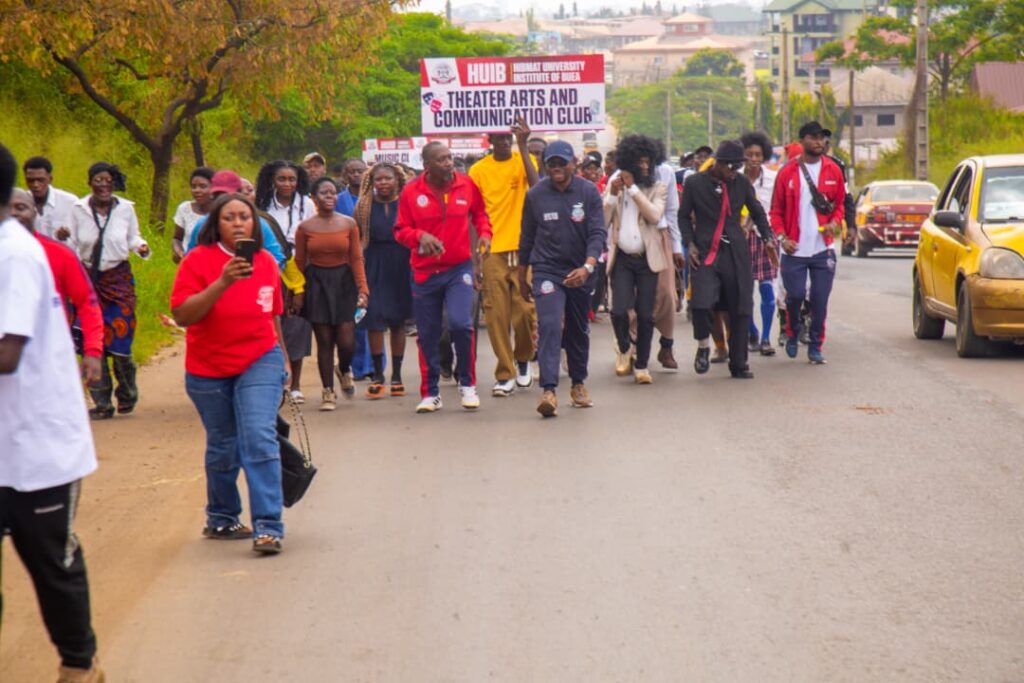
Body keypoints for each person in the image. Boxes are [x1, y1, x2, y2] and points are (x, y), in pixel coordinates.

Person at [0, 144, 105, 683]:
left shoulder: (17, 255)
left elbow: (7, 353)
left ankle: (78, 666)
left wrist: (93, 353)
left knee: (51, 565)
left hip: (35, 446)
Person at [171, 193, 289, 554]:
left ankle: (268, 527)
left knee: (257, 436)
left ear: (255, 223)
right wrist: (222, 282)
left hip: (260, 358)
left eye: (245, 217)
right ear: (215, 225)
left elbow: (273, 314)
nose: (238, 223)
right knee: (224, 444)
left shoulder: (267, 261)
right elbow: (183, 316)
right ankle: (222, 518)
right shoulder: (197, 261)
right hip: (208, 367)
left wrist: (282, 360)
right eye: (229, 218)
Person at [393, 141, 492, 413]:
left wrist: (484, 234)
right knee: (428, 334)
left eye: (449, 158)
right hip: (425, 273)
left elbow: (481, 215)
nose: (448, 163)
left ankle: (467, 385)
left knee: (461, 324)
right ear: (427, 166)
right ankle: (430, 393)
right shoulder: (412, 192)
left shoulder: (466, 184)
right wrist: (419, 237)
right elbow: (400, 230)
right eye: (441, 159)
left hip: (458, 269)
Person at [518, 140, 606, 417]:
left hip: (581, 270)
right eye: (551, 163)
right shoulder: (535, 195)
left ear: (573, 164)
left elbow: (597, 233)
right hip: (547, 270)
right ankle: (549, 390)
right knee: (550, 324)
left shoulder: (588, 191)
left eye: (561, 162)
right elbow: (527, 237)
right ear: (545, 166)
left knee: (577, 329)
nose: (556, 167)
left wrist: (588, 266)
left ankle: (578, 384)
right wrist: (522, 273)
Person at [680, 140, 777, 379]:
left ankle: (739, 363)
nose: (734, 172)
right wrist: (690, 244)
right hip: (704, 250)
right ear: (719, 164)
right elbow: (683, 217)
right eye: (731, 167)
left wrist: (767, 238)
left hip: (736, 251)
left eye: (737, 167)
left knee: (741, 307)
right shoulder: (694, 183)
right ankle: (704, 345)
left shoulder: (741, 183)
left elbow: (757, 212)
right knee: (701, 304)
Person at [70, 162, 150, 419]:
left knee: (121, 339)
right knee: (91, 340)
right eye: (98, 180)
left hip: (118, 280)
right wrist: (62, 237)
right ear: (89, 182)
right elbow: (71, 241)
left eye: (108, 180)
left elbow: (132, 238)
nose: (103, 185)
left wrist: (141, 246)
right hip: (87, 279)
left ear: (114, 183)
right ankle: (102, 402)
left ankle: (127, 393)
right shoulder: (78, 210)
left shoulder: (125, 209)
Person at [468, 118, 540, 397]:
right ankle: (505, 372)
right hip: (491, 251)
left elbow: (536, 187)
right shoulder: (478, 170)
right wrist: (476, 258)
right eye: (497, 138)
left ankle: (523, 360)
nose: (502, 143)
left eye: (506, 138)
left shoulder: (524, 158)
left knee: (525, 312)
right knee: (496, 314)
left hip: (523, 250)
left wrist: (522, 145)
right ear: (489, 140)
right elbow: (473, 214)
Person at [770, 121, 846, 364]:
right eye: (813, 138)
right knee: (794, 295)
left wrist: (836, 221)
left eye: (822, 138)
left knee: (820, 300)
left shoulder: (834, 170)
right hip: (795, 249)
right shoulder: (787, 173)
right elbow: (775, 212)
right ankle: (791, 332)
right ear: (801, 141)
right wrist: (783, 238)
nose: (819, 142)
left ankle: (815, 346)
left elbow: (840, 204)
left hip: (823, 249)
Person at [10, 188, 104, 384]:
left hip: (51, 360)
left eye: (21, 207)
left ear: (34, 211)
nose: (14, 214)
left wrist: (93, 351)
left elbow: (87, 302)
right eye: (6, 208)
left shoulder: (60, 255)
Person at [294, 177, 368, 410]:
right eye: (324, 193)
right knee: (324, 340)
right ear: (314, 199)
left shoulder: (348, 224)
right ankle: (328, 391)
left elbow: (356, 258)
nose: (330, 197)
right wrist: (297, 292)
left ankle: (343, 369)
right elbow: (299, 261)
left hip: (344, 282)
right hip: (316, 283)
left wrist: (363, 288)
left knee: (347, 341)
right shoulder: (305, 228)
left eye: (333, 193)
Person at [603, 135, 669, 384]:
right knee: (618, 310)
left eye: (648, 161)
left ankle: (642, 365)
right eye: (639, 161)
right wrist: (612, 195)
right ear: (628, 161)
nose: (644, 166)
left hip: (647, 260)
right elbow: (603, 221)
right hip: (622, 259)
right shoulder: (615, 185)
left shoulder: (658, 188)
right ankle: (623, 346)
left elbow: (654, 216)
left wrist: (632, 189)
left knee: (645, 315)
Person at [255, 160, 315, 402]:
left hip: (299, 267)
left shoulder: (306, 204)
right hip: (268, 269)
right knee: (270, 323)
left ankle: (296, 384)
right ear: (272, 180)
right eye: (282, 179)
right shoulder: (262, 204)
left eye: (292, 179)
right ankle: (275, 380)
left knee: (297, 325)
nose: (288, 184)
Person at [354, 162, 412, 399]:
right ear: (372, 182)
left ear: (398, 180)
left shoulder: (406, 204)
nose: (383, 183)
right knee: (374, 319)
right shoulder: (364, 207)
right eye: (379, 179)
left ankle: (397, 375)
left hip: (402, 262)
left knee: (398, 321)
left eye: (388, 178)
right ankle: (378, 375)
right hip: (373, 262)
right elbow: (356, 238)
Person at [740, 131, 779, 357]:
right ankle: (751, 332)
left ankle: (765, 338)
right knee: (743, 291)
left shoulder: (774, 179)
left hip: (766, 237)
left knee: (767, 288)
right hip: (740, 239)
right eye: (749, 154)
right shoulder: (734, 177)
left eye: (758, 154)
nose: (754, 158)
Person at [652, 151, 685, 369]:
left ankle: (667, 345)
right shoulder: (622, 176)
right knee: (632, 302)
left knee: (667, 295)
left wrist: (676, 247)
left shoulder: (665, 172)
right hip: (630, 243)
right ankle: (631, 348)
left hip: (661, 237)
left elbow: (672, 211)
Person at [22, 155, 78, 242]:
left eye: (41, 180)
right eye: (31, 180)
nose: (35, 185)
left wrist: (67, 235)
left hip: (61, 254)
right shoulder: (20, 204)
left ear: (50, 179)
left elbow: (81, 236)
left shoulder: (70, 202)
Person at [171, 166, 215, 263]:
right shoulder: (184, 208)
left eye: (203, 186)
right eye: (193, 186)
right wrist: (179, 251)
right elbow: (177, 238)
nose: (197, 190)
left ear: (213, 188)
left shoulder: (221, 211)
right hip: (189, 263)